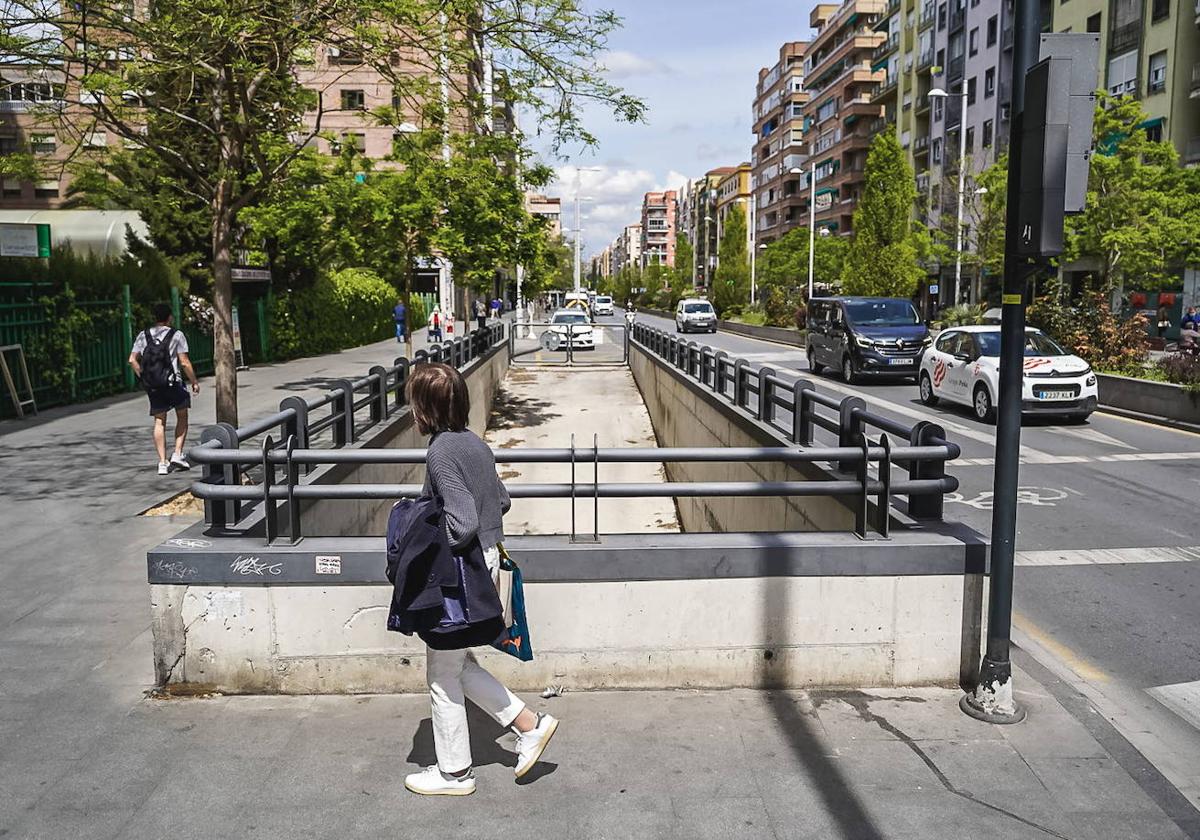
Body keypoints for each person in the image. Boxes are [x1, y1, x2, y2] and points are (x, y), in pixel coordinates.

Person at [403, 363, 559, 796]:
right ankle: (529, 724)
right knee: (455, 661)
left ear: (425, 409)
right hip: (487, 563)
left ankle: (455, 773)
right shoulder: (475, 444)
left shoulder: (440, 453)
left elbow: (462, 522)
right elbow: (502, 500)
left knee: (441, 674)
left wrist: (433, 534)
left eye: (413, 404)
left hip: (462, 570)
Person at [128, 303, 200, 475]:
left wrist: (143, 376)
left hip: (153, 385)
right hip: (173, 382)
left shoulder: (143, 335)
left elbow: (132, 360)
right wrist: (194, 381)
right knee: (182, 415)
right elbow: (184, 362)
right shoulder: (177, 335)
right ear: (169, 317)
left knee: (159, 421)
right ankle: (177, 453)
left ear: (154, 317)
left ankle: (162, 462)